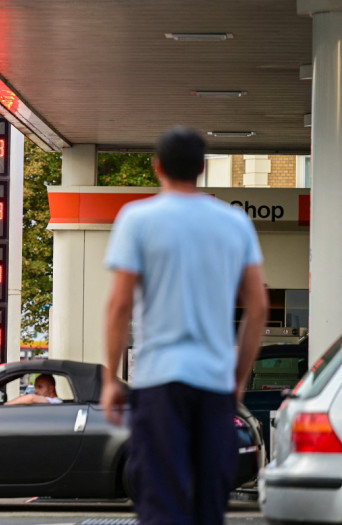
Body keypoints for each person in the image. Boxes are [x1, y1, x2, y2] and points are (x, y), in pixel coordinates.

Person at [101, 126, 269, 525]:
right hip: (214, 385)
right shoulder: (235, 223)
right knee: (209, 503)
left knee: (162, 501)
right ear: (203, 168)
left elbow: (120, 304)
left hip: (159, 382)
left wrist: (111, 379)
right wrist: (238, 378)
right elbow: (259, 308)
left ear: (157, 166)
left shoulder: (137, 218)